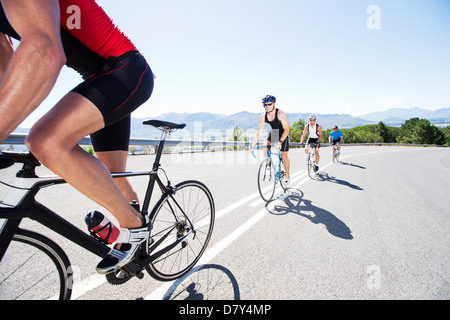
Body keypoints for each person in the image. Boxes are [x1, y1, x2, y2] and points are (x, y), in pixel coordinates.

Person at [0, 0, 154, 274]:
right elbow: (8, 75)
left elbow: (44, 51)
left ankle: (133, 226)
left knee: (45, 141)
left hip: (126, 69)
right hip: (100, 76)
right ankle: (136, 234)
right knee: (112, 175)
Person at [251, 95, 290, 184]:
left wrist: (280, 141)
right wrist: (253, 144)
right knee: (265, 145)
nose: (267, 107)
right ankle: (268, 165)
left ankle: (287, 175)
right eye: (265, 105)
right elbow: (259, 131)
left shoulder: (280, 114)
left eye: (269, 104)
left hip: (283, 133)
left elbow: (287, 129)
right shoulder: (263, 116)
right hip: (274, 132)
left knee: (284, 156)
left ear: (274, 104)